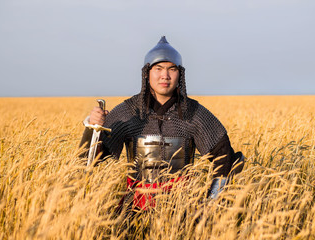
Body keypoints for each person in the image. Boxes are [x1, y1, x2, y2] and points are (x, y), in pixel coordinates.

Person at [79, 36, 244, 209]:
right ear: (147, 73)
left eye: (171, 69)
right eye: (158, 68)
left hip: (181, 210)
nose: (164, 76)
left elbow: (226, 159)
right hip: (135, 208)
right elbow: (90, 161)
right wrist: (92, 127)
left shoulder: (194, 113)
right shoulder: (128, 112)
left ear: (180, 74)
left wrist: (211, 204)